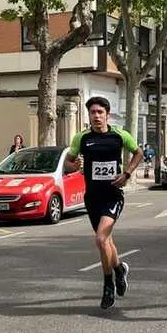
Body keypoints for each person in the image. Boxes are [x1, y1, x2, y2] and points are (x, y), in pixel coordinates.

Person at [65, 96, 143, 310]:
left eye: (100, 112)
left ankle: (108, 285)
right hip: (92, 197)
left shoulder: (119, 135)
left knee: (101, 239)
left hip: (113, 195)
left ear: (107, 114)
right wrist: (74, 166)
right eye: (93, 112)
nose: (96, 116)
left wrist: (127, 174)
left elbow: (138, 153)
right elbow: (69, 162)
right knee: (106, 242)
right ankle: (119, 269)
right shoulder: (81, 138)